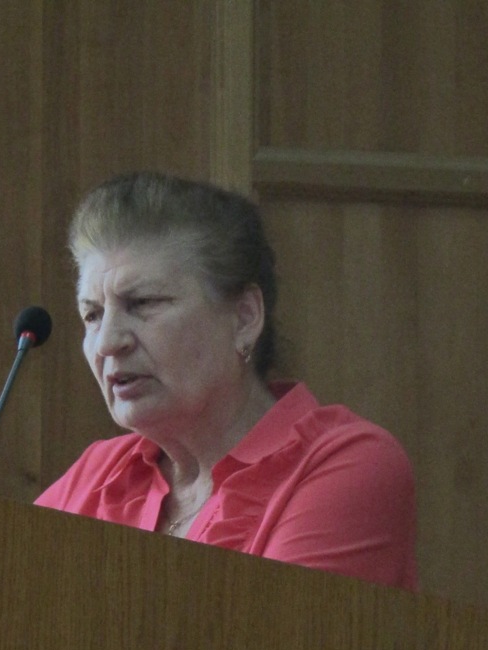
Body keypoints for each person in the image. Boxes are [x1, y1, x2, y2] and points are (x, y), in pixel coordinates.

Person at [35, 172, 418, 591]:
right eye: (92, 315)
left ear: (244, 318)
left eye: (143, 303)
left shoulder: (346, 465)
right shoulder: (98, 473)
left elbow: (270, 633)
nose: (108, 342)